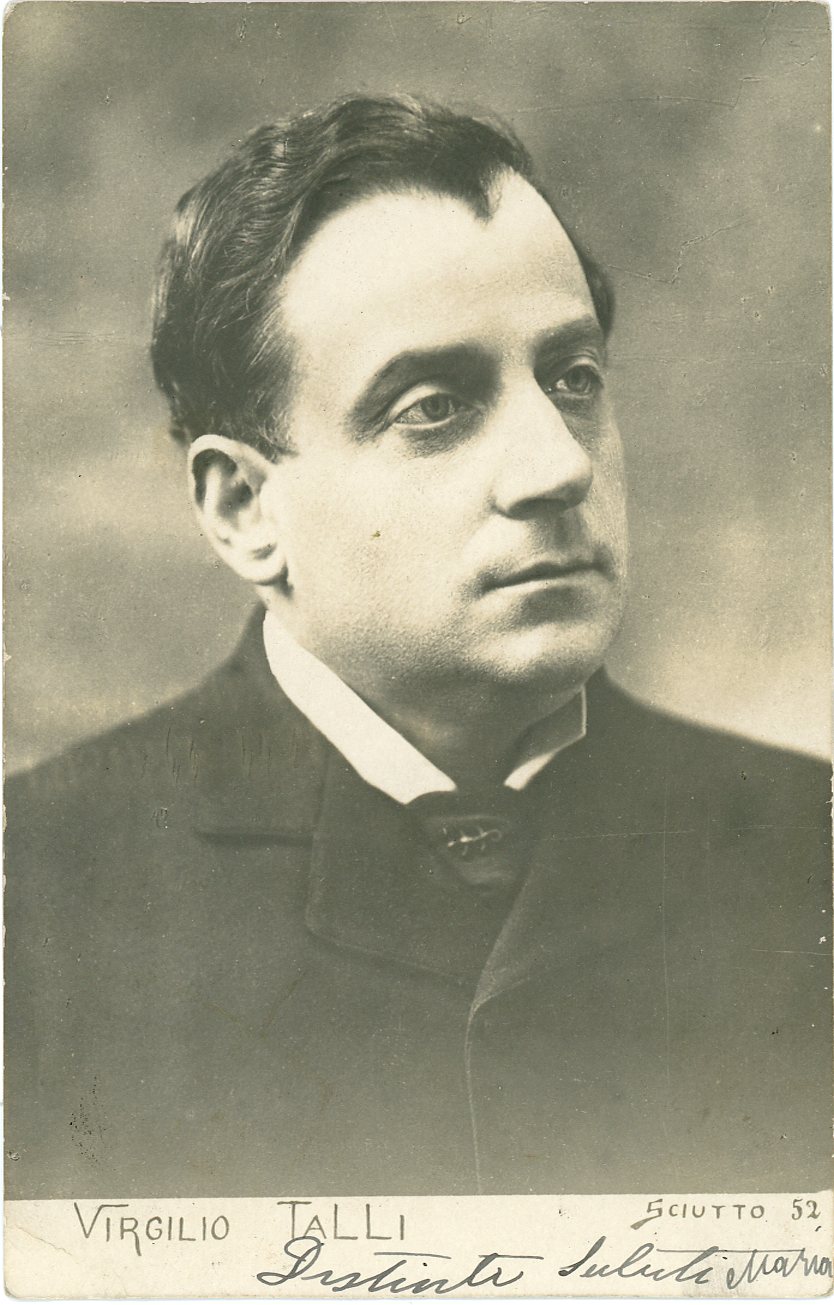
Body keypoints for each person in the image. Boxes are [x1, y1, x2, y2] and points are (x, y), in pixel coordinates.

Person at [5, 95, 830, 1201]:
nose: (559, 466)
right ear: (245, 507)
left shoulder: (807, 849)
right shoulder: (34, 897)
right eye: (434, 408)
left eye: (574, 379)